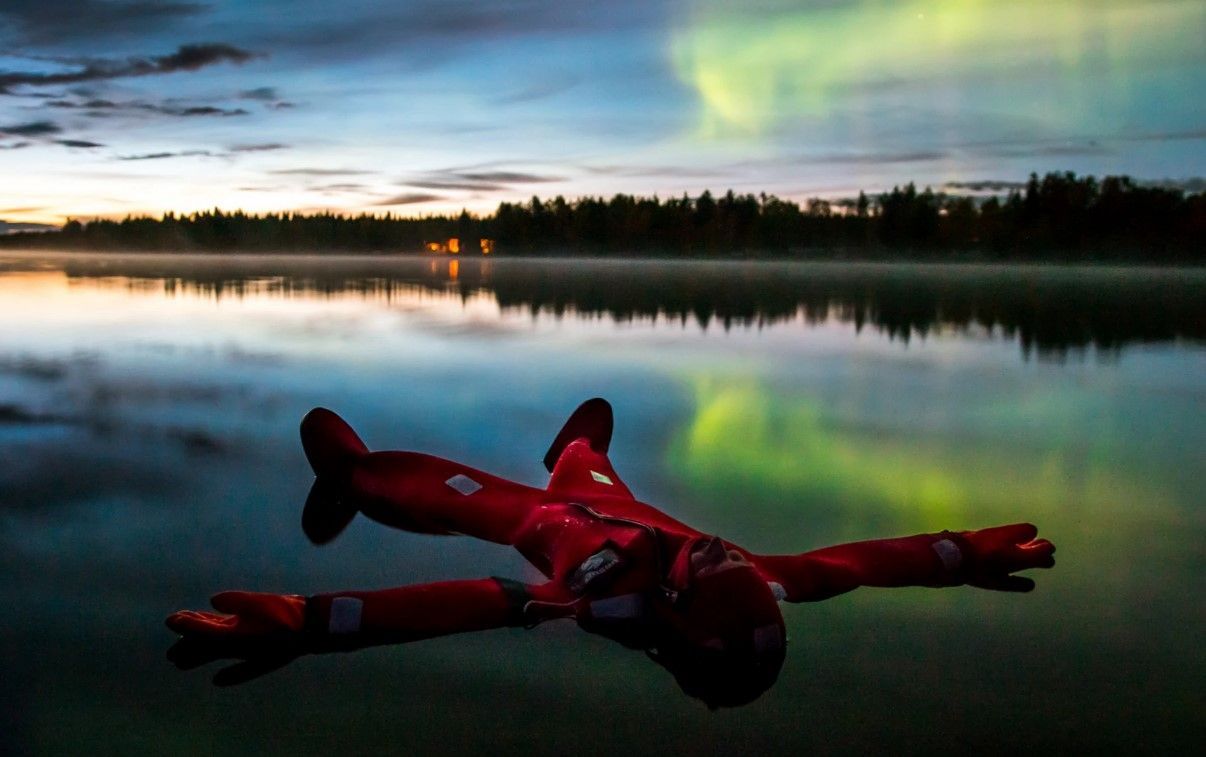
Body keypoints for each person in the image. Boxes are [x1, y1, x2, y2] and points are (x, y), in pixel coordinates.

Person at [167, 398, 1055, 708]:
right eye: (737, 561)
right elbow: (856, 565)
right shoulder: (756, 582)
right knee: (590, 453)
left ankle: (352, 479)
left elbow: (464, 604)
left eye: (715, 566)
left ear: (674, 609)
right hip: (606, 494)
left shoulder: (588, 600)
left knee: (397, 482)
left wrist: (308, 620)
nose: (720, 548)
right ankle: (574, 447)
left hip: (531, 515)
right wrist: (957, 552)